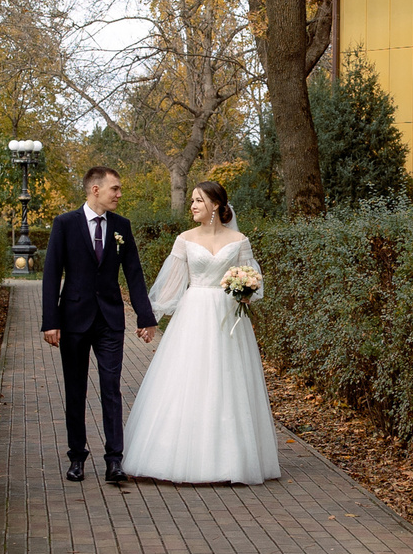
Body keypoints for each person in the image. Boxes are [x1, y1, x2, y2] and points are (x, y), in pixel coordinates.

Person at [119, 180, 280, 486]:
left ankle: (231, 459)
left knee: (228, 380)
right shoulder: (185, 239)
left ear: (216, 206)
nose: (192, 205)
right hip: (193, 315)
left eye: (198, 200)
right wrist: (150, 318)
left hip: (228, 317)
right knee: (187, 377)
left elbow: (254, 280)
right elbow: (171, 285)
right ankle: (170, 456)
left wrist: (246, 290)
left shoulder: (239, 240)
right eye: (192, 200)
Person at [41, 166, 157, 486]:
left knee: (112, 389)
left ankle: (114, 460)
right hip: (73, 320)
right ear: (95, 189)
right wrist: (50, 321)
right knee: (75, 390)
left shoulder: (122, 226)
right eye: (115, 189)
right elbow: (51, 274)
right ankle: (76, 457)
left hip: (109, 320)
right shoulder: (65, 224)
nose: (119, 194)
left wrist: (145, 318)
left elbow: (134, 274)